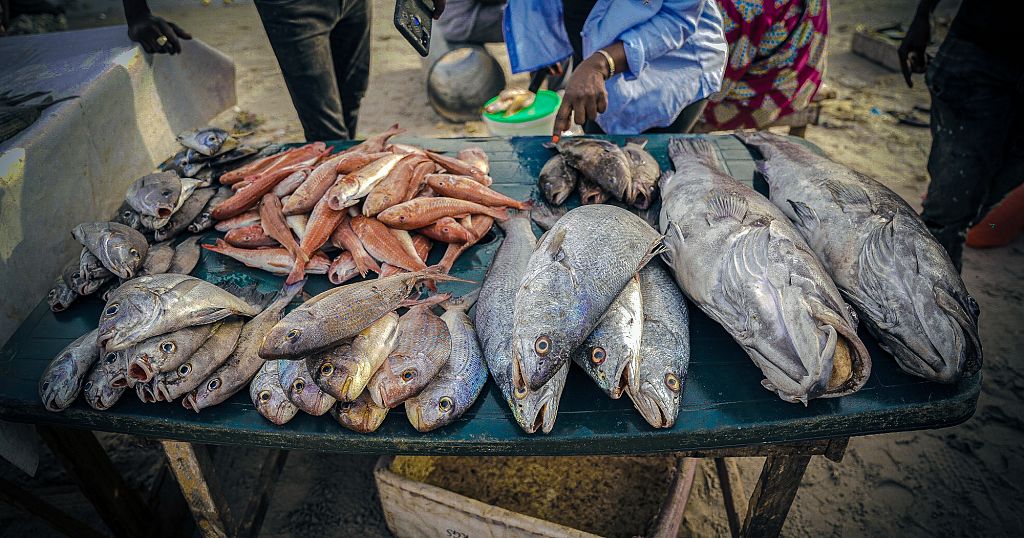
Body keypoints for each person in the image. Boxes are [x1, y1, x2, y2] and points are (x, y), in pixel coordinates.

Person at [120, 0, 447, 141]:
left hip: (354, 3)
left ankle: (342, 178)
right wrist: (137, 13)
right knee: (325, 127)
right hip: (292, 7)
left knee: (353, 96)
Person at [899, 0, 1024, 271]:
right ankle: (928, 295)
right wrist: (923, 15)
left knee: (977, 205)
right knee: (947, 214)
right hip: (981, 52)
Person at [502, 0, 728, 136]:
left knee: (646, 171)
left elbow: (676, 17)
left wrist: (601, 63)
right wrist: (549, 38)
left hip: (669, 69)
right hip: (591, 57)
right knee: (598, 156)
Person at [701, 0, 828, 130]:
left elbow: (715, 80)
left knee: (689, 103)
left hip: (768, 94)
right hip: (807, 73)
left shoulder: (742, 8)